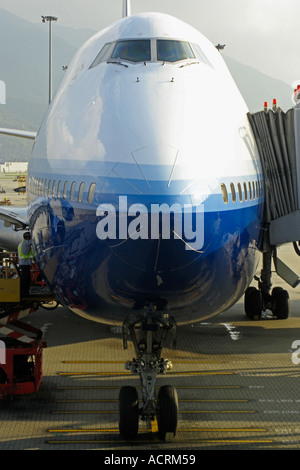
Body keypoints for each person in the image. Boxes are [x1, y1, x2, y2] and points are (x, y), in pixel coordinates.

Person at [18, 232, 33, 297]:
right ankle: (24, 293)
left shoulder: (21, 243)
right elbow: (34, 241)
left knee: (25, 279)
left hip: (23, 264)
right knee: (26, 280)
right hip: (25, 264)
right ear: (28, 237)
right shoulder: (26, 243)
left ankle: (24, 293)